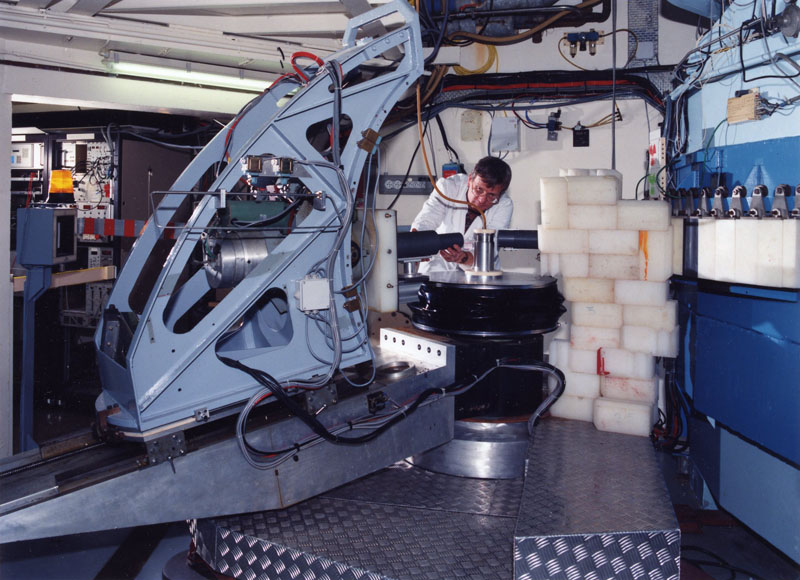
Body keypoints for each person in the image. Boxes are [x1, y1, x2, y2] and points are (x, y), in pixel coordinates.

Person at [411, 156, 512, 273]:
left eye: (491, 196)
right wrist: (419, 242)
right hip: (437, 267)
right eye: (479, 190)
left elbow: (491, 245)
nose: (481, 200)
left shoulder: (504, 205)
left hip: (479, 272)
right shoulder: (448, 187)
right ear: (470, 180)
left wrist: (465, 258)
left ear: (500, 194)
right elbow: (427, 219)